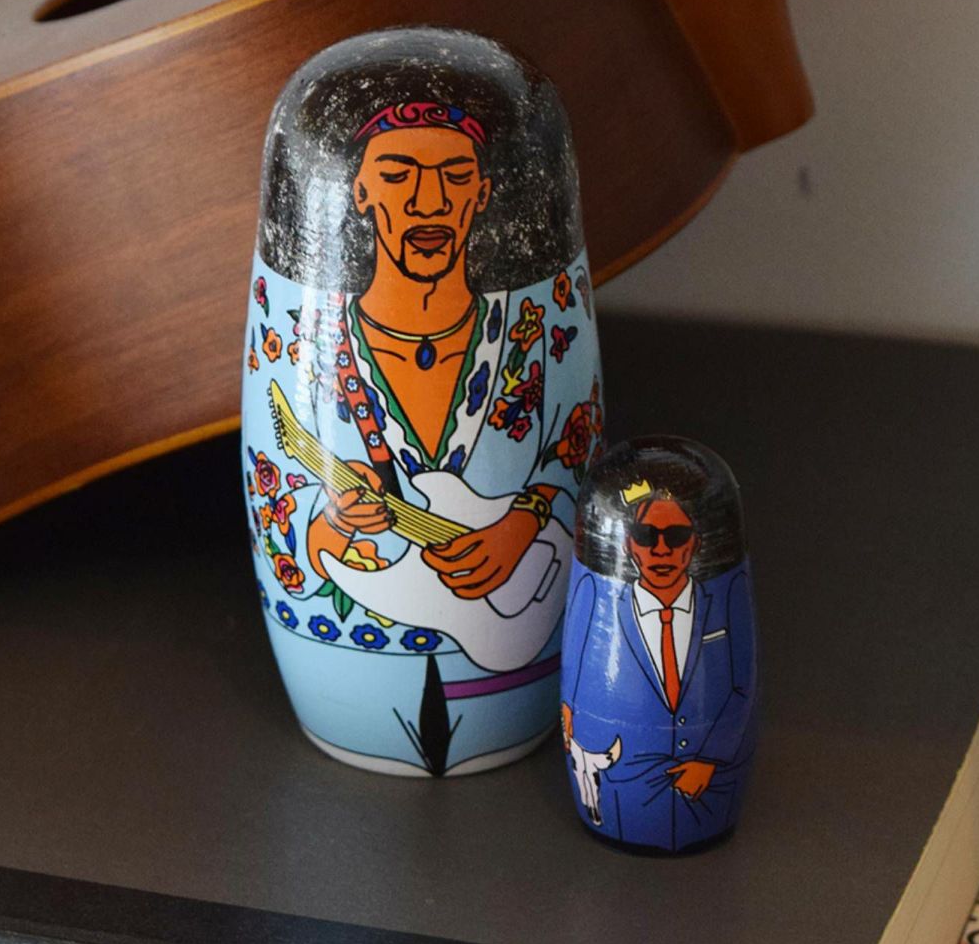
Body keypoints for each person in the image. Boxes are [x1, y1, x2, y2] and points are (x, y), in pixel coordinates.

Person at [246, 99, 602, 776]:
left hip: (517, 651)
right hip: (353, 658)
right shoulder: (306, 334)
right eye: (397, 175)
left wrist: (524, 521)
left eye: (455, 176)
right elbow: (275, 485)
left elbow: (575, 445)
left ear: (482, 195)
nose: (428, 201)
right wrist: (327, 528)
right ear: (359, 194)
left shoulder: (535, 322)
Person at [561, 486, 756, 851]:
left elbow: (742, 683)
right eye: (646, 536)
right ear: (628, 547)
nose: (661, 549)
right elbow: (576, 684)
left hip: (710, 791)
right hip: (625, 791)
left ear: (694, 545)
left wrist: (709, 759)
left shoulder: (725, 596)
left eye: (676, 536)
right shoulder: (602, 600)